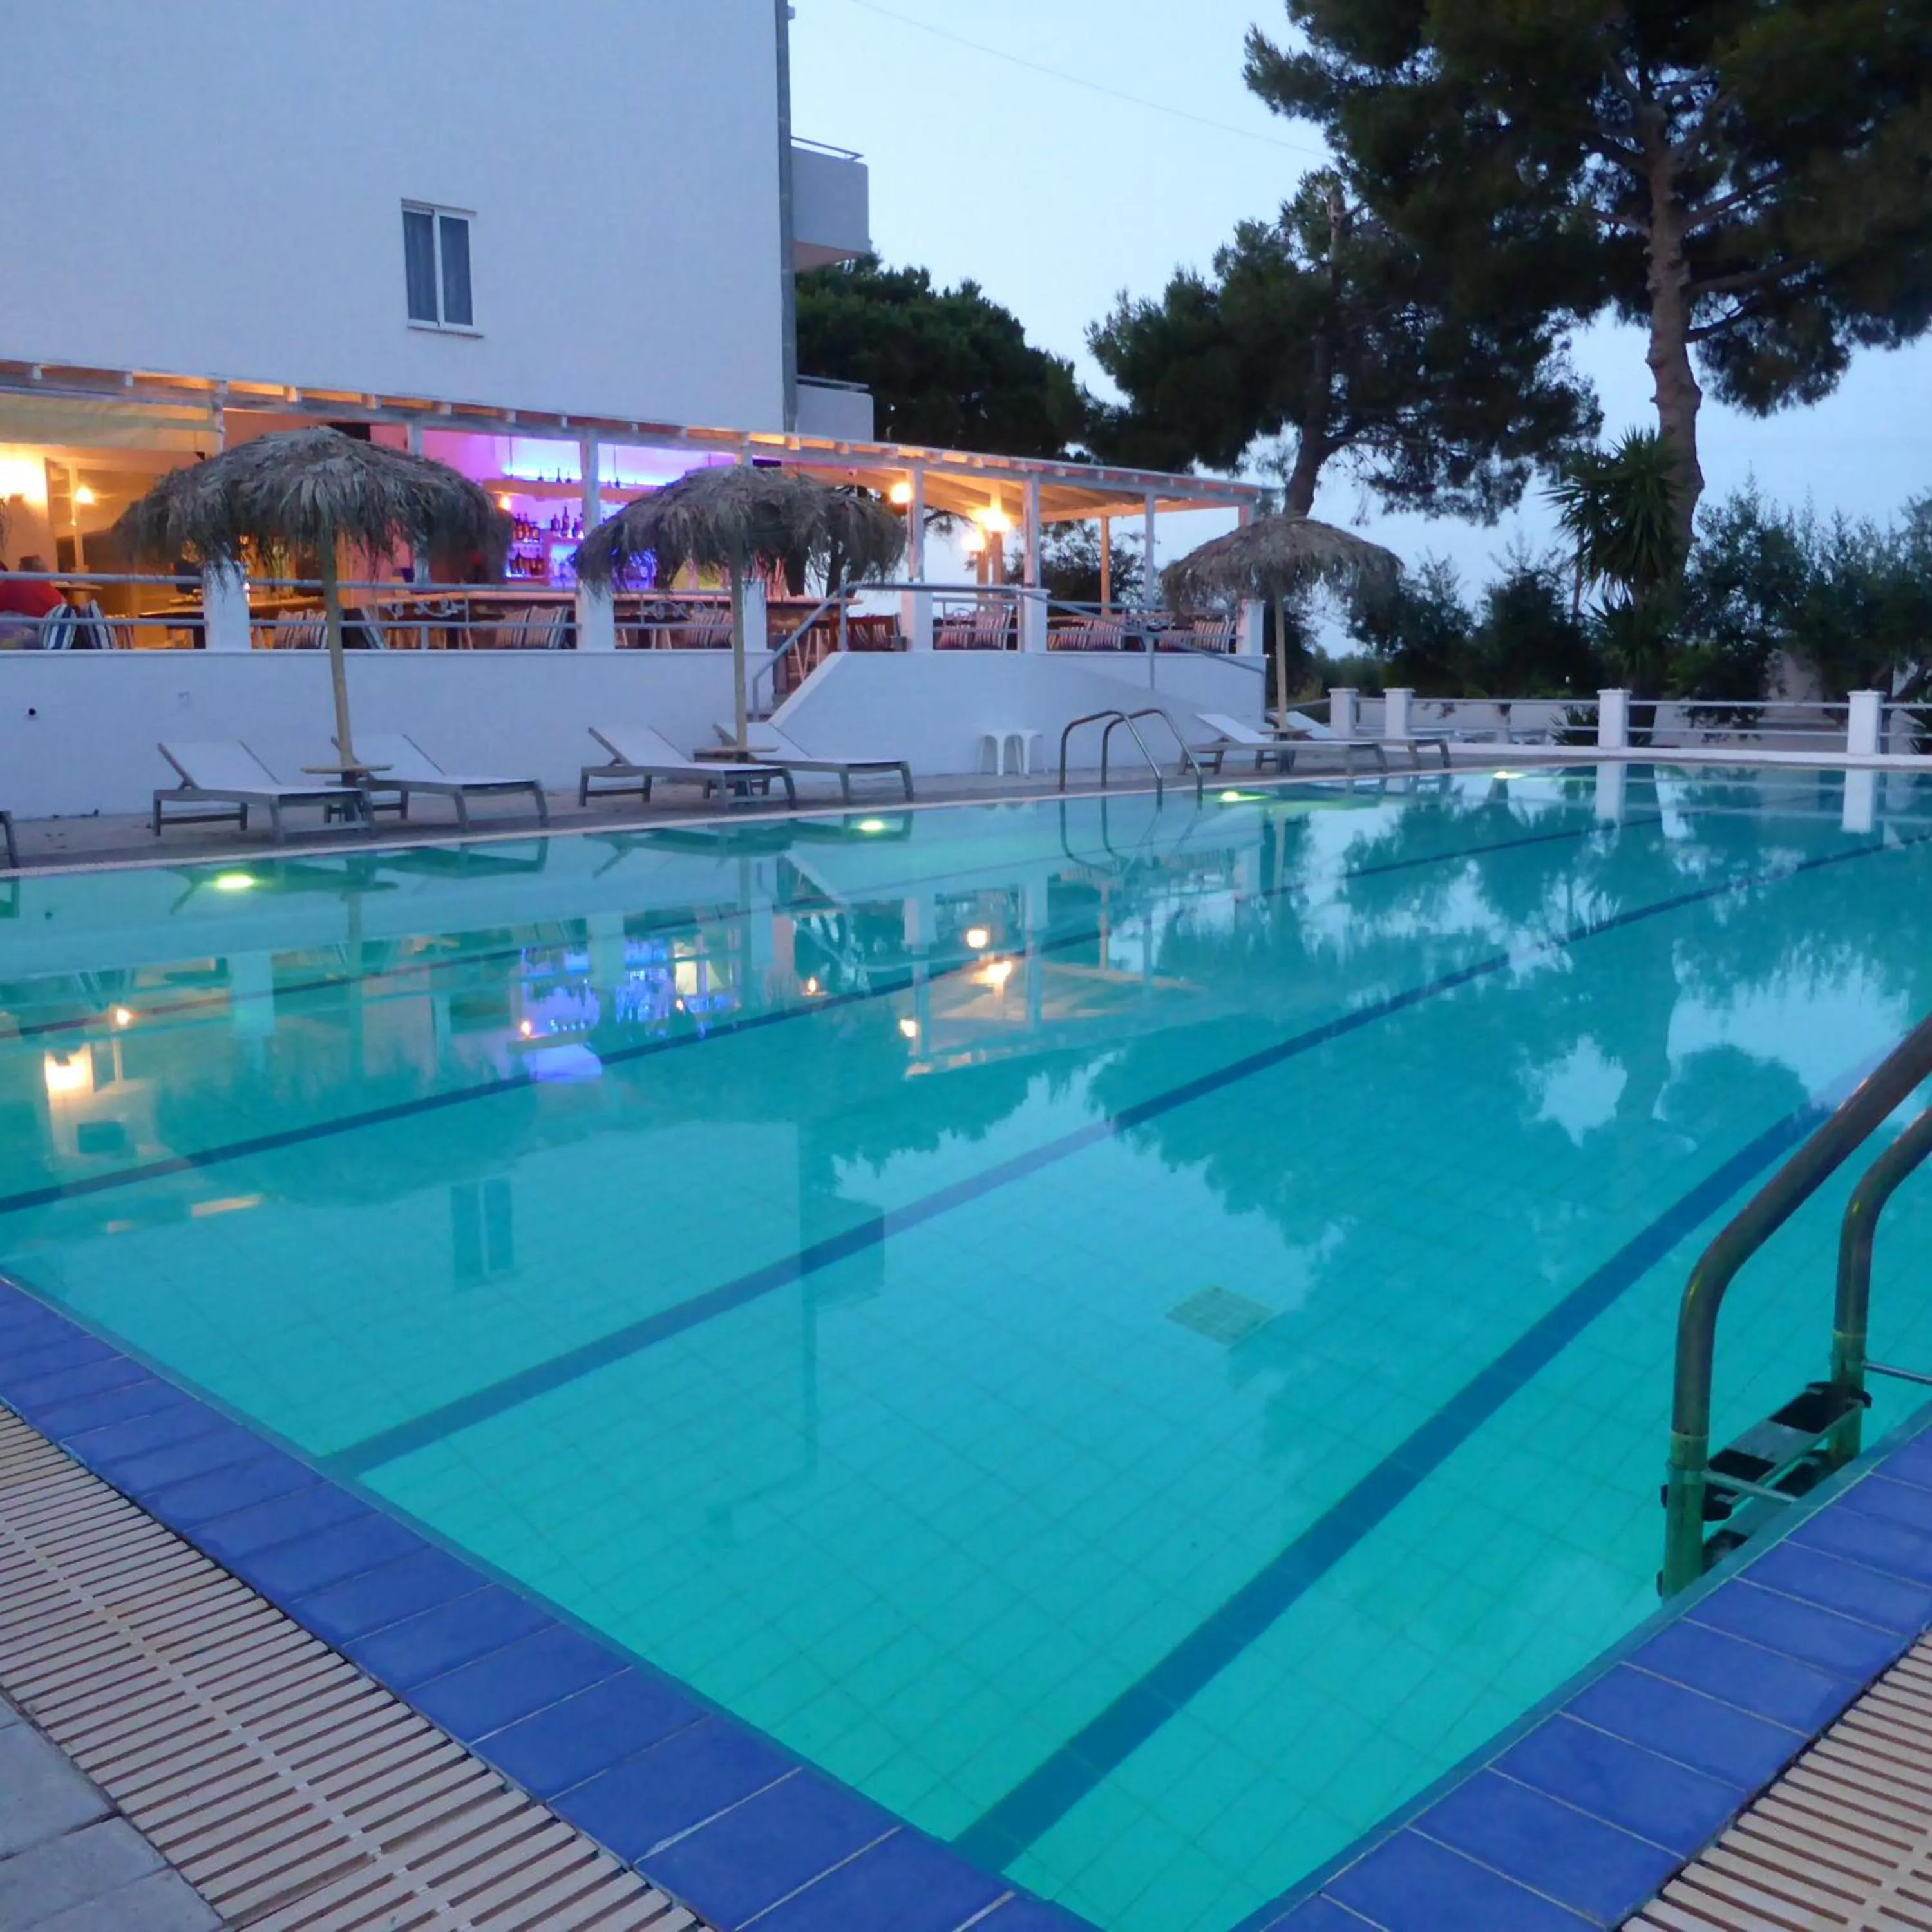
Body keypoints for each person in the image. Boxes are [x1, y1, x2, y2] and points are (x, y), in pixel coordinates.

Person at [0, 558, 63, 649]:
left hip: (22, 637)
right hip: (45, 633)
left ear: (23, 570)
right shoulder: (54, 594)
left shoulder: (14, 584)